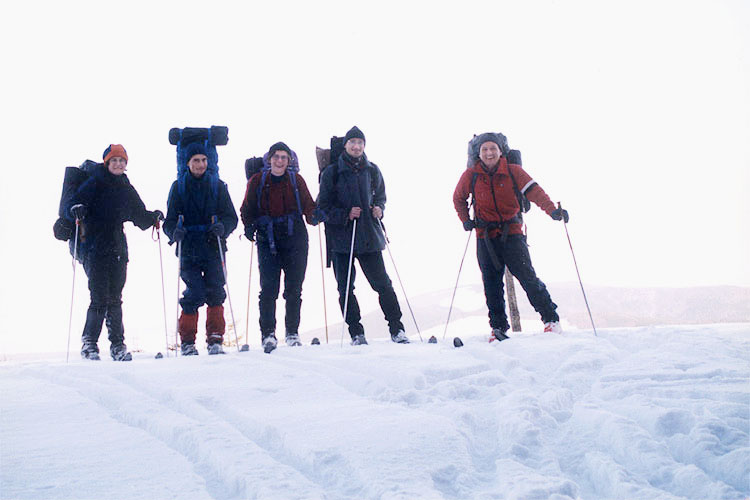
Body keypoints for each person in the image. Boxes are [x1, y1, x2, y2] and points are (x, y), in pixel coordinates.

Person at [453, 132, 568, 341]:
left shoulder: (513, 171)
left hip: (512, 233)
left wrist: (552, 211)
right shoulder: (471, 175)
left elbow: (535, 192)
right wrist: (465, 219)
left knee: (527, 278)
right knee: (491, 283)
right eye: (485, 149)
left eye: (493, 149)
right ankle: (498, 328)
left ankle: (551, 319)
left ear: (500, 151)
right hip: (485, 236)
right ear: (479, 153)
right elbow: (458, 198)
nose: (489, 153)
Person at [68, 144, 163, 361]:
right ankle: (90, 344)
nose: (119, 164)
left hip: (118, 248)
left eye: (122, 161)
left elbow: (139, 216)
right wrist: (75, 210)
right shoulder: (95, 183)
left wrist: (153, 217)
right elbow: (73, 204)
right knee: (99, 297)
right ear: (107, 163)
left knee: (115, 298)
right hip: (94, 247)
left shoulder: (126, 187)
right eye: (114, 161)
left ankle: (117, 345)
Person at [317, 126, 409, 345]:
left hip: (369, 236)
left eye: (360, 143)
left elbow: (381, 196)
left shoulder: (372, 170)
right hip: (342, 241)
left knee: (383, 285)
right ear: (346, 146)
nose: (357, 146)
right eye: (353, 142)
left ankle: (397, 329)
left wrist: (379, 208)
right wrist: (345, 215)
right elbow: (321, 208)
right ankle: (356, 333)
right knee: (346, 289)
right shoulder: (332, 173)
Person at [240, 142, 316, 353]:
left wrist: (314, 216)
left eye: (284, 157)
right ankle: (268, 334)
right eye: (276, 156)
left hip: (296, 239)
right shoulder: (257, 180)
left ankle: (292, 332)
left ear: (289, 160)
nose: (280, 161)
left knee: (294, 288)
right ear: (269, 158)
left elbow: (308, 204)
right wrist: (248, 225)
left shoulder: (296, 180)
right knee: (268, 289)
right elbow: (247, 207)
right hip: (268, 239)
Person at [163, 142, 238, 355]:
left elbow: (231, 217)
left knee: (215, 290)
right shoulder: (178, 187)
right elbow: (170, 219)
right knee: (194, 292)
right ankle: (187, 341)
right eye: (196, 160)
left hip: (214, 246)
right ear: (187, 163)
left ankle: (215, 339)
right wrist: (173, 232)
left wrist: (223, 227)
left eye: (204, 160)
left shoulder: (218, 186)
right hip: (189, 247)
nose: (201, 164)